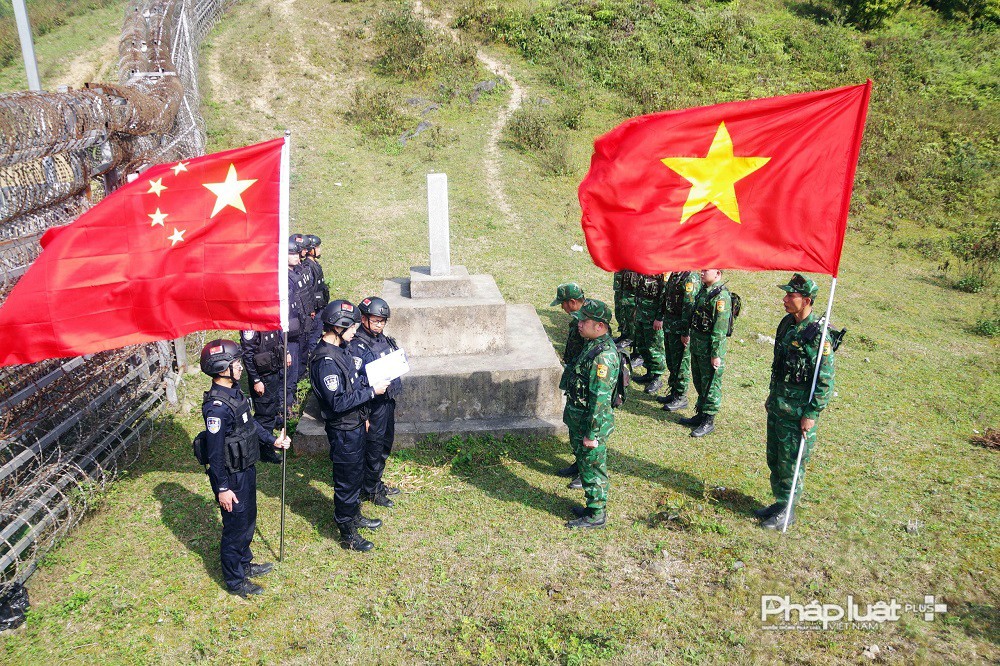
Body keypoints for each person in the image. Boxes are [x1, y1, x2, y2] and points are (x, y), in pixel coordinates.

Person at [199, 339, 290, 597]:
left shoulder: (236, 393)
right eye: (235, 364)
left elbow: (251, 426)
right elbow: (215, 456)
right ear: (220, 368)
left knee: (248, 518)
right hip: (231, 476)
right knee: (235, 527)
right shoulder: (216, 408)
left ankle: (244, 562)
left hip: (246, 468)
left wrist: (273, 440)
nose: (240, 368)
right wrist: (222, 488)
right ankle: (235, 580)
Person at [309, 300, 390, 552]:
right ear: (338, 327)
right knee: (346, 482)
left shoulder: (342, 349)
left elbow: (352, 385)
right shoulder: (325, 362)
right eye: (352, 326)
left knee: (355, 477)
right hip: (343, 431)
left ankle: (354, 516)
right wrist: (372, 392)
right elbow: (338, 402)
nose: (355, 331)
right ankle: (347, 532)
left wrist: (364, 415)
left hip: (355, 424)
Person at [759, 274, 835, 530]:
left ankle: (788, 509)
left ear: (807, 301)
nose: (785, 299)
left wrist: (811, 413)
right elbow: (778, 366)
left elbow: (824, 381)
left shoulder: (818, 336)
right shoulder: (786, 324)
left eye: (791, 296)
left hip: (798, 411)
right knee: (776, 458)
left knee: (792, 462)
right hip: (779, 405)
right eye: (786, 294)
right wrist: (772, 394)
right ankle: (780, 502)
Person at [559, 299, 620, 529]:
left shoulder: (603, 357)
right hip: (580, 417)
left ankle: (596, 514)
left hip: (591, 423)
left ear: (600, 326)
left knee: (593, 467)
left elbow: (600, 399)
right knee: (585, 464)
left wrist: (592, 434)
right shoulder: (592, 344)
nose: (580, 324)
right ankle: (591, 506)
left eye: (585, 321)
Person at [348, 296, 404, 509]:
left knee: (384, 444)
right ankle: (370, 489)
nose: (380, 325)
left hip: (387, 401)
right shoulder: (357, 345)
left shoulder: (382, 339)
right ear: (363, 319)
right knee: (373, 447)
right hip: (372, 404)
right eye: (376, 320)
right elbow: (353, 381)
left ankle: (375, 482)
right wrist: (364, 415)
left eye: (383, 321)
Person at [679, 269, 731, 437]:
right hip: (697, 345)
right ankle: (700, 414)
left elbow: (719, 329)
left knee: (711, 385)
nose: (701, 273)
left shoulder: (721, 297)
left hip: (709, 349)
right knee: (700, 381)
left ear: (717, 273)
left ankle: (708, 420)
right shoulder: (704, 290)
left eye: (706, 270)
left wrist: (716, 354)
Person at [550, 282, 587, 484]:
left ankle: (586, 472)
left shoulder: (589, 320)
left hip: (585, 384)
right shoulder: (578, 318)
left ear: (572, 302)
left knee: (585, 429)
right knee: (574, 425)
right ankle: (579, 463)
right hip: (575, 381)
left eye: (563, 304)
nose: (562, 309)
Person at [239, 329, 290, 462]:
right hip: (262, 378)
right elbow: (247, 355)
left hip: (273, 371)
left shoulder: (268, 319)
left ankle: (267, 444)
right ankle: (265, 450)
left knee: (272, 411)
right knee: (264, 414)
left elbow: (279, 337)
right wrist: (256, 380)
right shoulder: (250, 326)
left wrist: (287, 352)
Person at [657, 271, 701, 412]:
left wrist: (685, 331)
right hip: (670, 325)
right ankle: (674, 391)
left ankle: (681, 396)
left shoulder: (690, 277)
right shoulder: (675, 274)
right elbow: (666, 297)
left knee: (681, 363)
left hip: (680, 327)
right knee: (671, 361)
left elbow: (689, 305)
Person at [630, 271, 667, 394]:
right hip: (641, 313)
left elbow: (664, 297)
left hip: (653, 318)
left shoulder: (663, 272)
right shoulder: (644, 269)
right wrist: (636, 309)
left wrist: (659, 318)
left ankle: (657, 377)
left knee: (654, 348)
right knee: (643, 345)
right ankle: (649, 373)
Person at [300, 234, 329, 370]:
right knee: (312, 338)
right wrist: (311, 309)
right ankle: (310, 365)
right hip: (314, 310)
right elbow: (308, 291)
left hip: (321, 307)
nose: (320, 250)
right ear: (310, 250)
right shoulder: (308, 267)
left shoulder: (314, 264)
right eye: (317, 247)